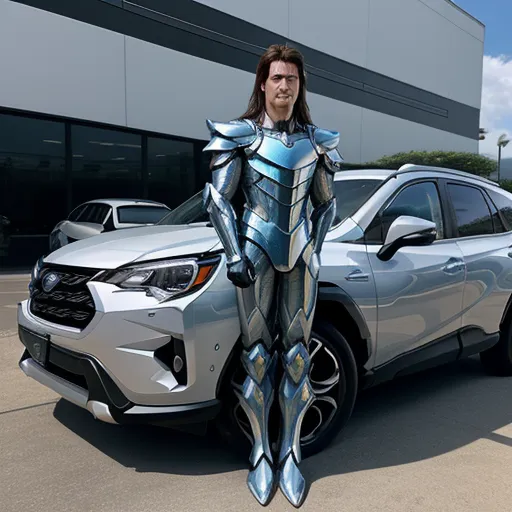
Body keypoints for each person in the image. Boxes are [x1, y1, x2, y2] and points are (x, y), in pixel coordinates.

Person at [202, 43, 342, 507]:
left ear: (300, 85)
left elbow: (326, 203)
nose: (284, 86)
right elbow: (217, 199)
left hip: (300, 253)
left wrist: (317, 249)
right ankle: (261, 452)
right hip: (256, 249)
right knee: (258, 357)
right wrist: (234, 253)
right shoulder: (238, 136)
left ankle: (292, 452)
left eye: (292, 79)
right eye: (277, 77)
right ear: (262, 82)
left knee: (298, 357)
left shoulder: (317, 141)